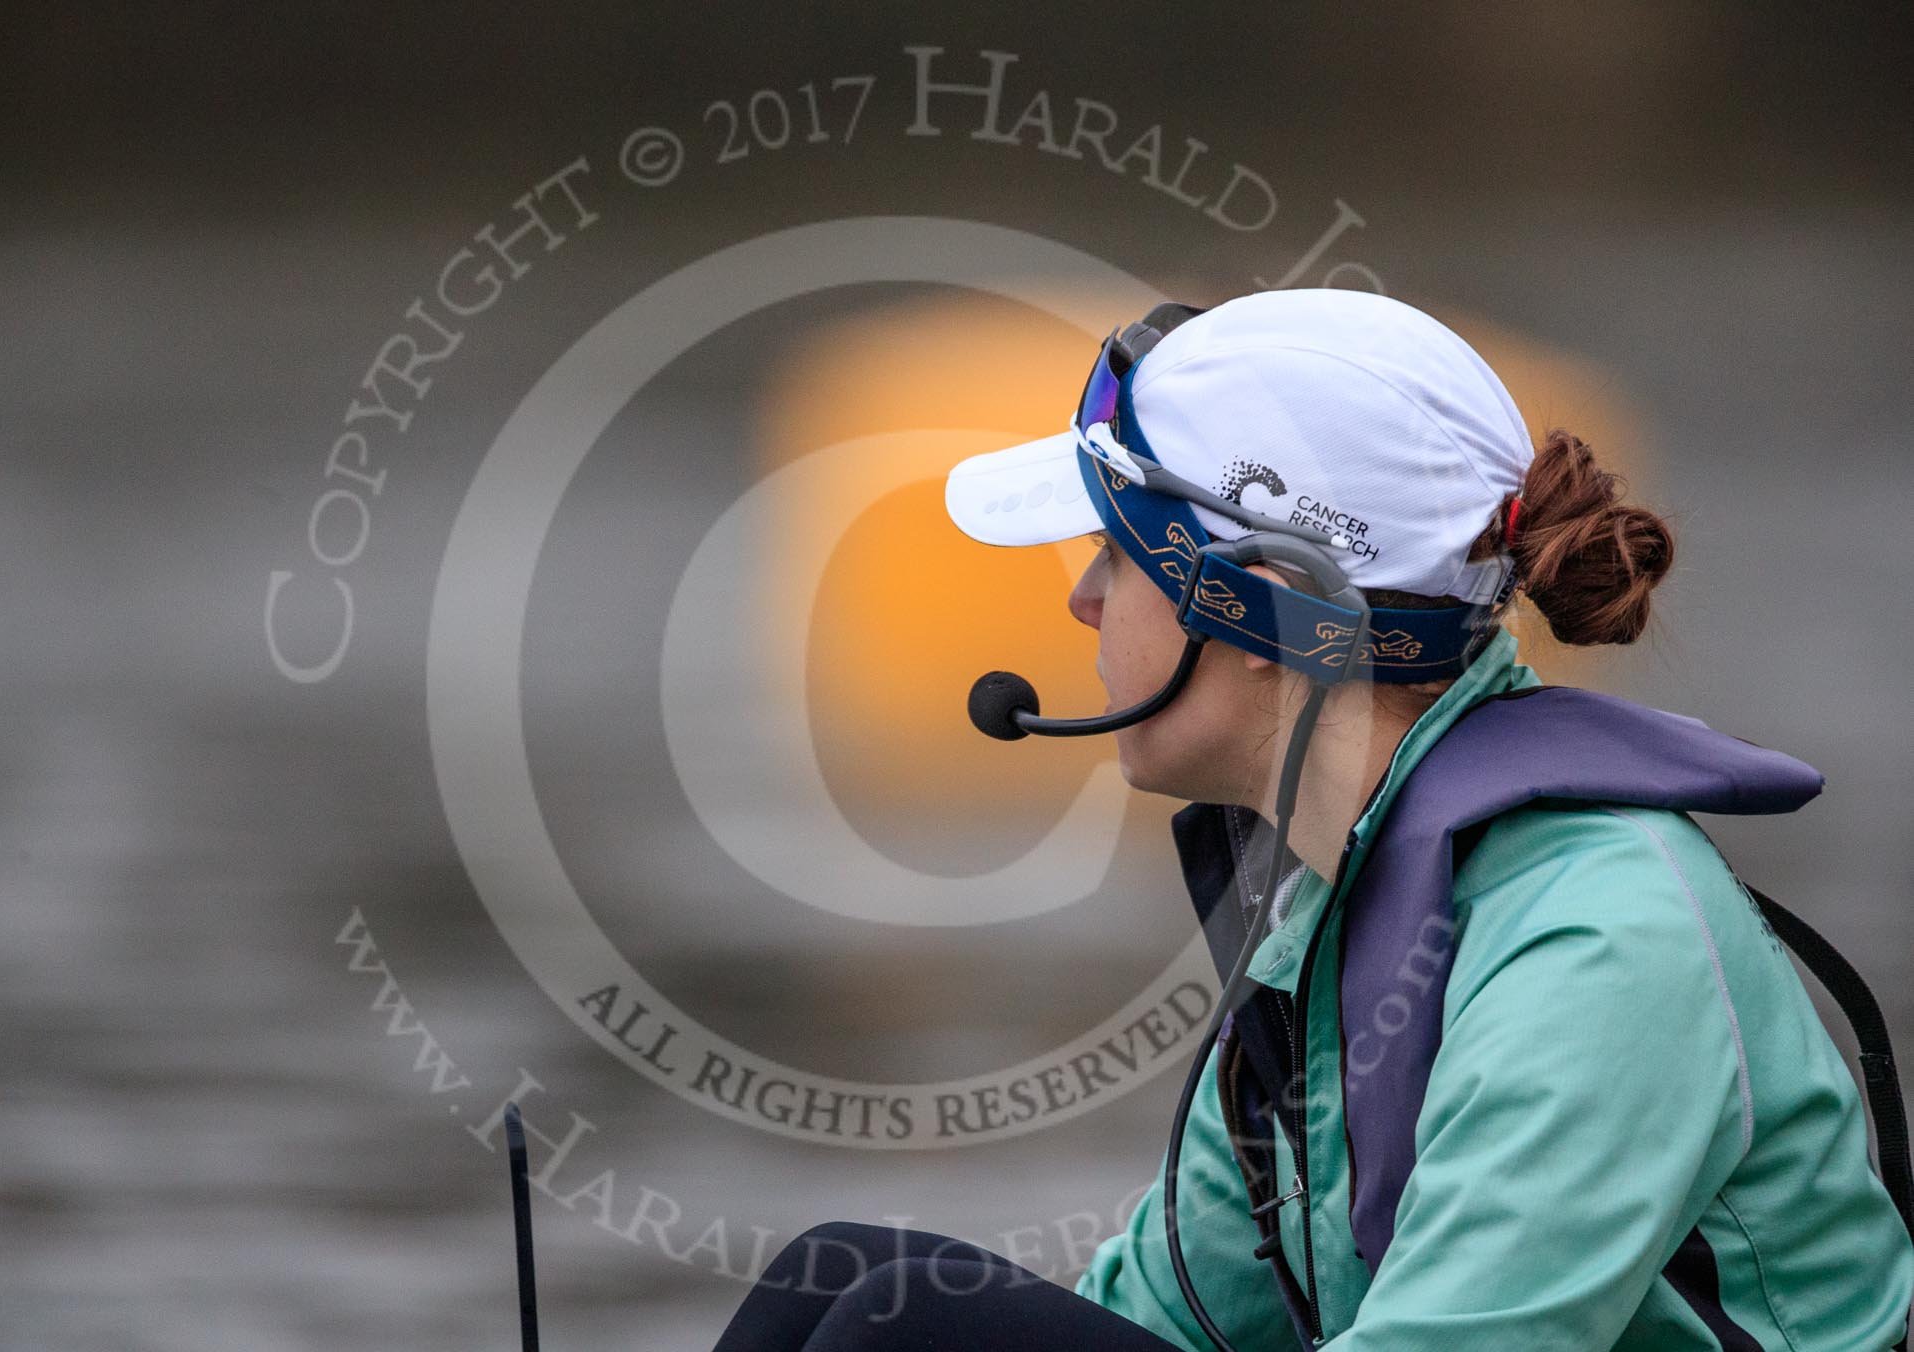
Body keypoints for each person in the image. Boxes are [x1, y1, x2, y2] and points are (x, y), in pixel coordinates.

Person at [708, 289, 1914, 1350]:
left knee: (897, 1327)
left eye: (1112, 554)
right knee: (851, 1277)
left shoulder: (1601, 937)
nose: (1079, 601)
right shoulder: (1331, 911)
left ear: (1269, 611)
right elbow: (1158, 1319)